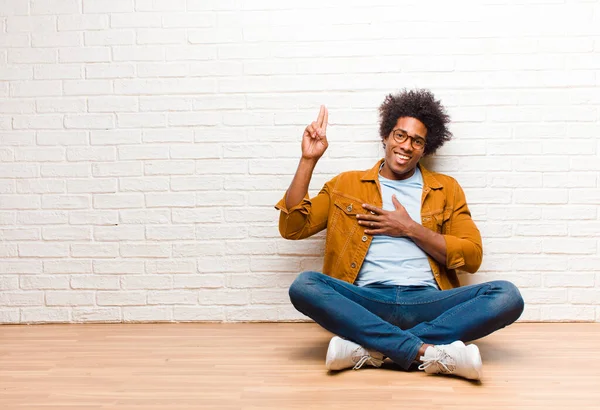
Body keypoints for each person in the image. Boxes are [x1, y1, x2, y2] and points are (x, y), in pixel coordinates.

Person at [274, 89, 524, 381]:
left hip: (427, 303)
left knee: (507, 296)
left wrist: (409, 228)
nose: (406, 146)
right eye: (400, 135)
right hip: (365, 300)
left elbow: (471, 256)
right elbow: (292, 227)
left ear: (425, 149)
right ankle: (428, 353)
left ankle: (372, 349)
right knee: (305, 285)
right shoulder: (346, 184)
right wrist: (308, 159)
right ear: (386, 136)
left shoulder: (446, 189)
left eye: (417, 141)